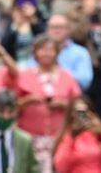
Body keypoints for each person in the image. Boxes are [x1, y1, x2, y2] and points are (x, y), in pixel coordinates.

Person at [17, 35, 81, 173]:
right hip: (29, 139)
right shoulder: (23, 75)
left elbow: (81, 108)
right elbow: (10, 107)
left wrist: (65, 105)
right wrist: (27, 101)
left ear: (56, 53)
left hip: (60, 139)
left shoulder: (67, 76)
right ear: (35, 53)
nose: (46, 53)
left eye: (50, 49)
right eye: (42, 49)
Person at [52, 96, 101, 173]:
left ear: (90, 112)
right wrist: (72, 136)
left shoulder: (98, 134)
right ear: (71, 114)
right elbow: (60, 166)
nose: (81, 115)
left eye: (84, 110)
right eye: (77, 111)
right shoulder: (68, 136)